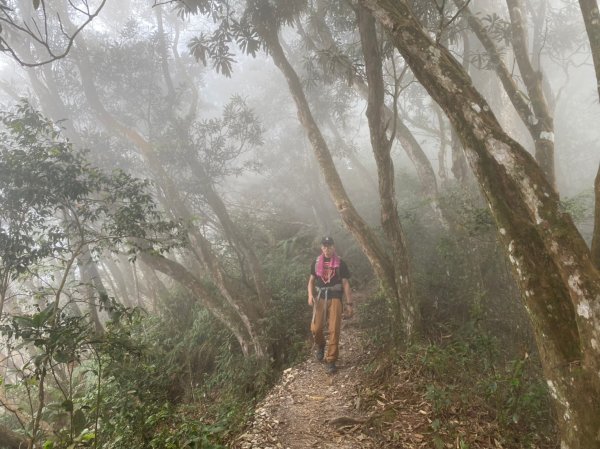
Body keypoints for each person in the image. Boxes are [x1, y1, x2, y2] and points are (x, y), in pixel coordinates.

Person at [307, 236, 353, 374]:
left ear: (334, 247)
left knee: (334, 329)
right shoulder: (315, 263)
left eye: (329, 246)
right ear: (322, 248)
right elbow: (311, 281)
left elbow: (345, 283)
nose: (327, 249)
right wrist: (310, 295)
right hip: (320, 297)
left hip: (335, 298)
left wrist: (349, 304)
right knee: (315, 328)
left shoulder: (340, 263)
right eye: (325, 246)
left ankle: (331, 360)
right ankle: (321, 345)